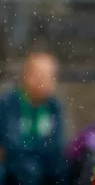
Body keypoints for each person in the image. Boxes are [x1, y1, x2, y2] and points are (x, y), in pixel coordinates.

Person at [0, 52, 67, 185]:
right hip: (15, 168)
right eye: (39, 75)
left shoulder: (54, 106)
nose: (44, 81)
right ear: (26, 75)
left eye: (50, 76)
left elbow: (56, 145)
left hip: (45, 165)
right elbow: (11, 144)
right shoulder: (9, 102)